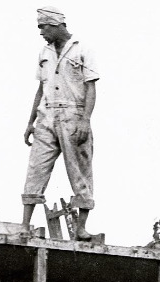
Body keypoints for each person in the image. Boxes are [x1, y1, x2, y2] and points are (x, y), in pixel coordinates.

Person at [22, 7, 99, 241]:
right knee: (36, 169)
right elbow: (40, 88)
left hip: (73, 114)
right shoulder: (44, 52)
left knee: (80, 170)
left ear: (55, 25)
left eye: (43, 26)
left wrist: (85, 120)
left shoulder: (82, 49)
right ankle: (24, 225)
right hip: (46, 115)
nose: (41, 32)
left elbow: (91, 87)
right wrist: (30, 121)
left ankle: (81, 228)